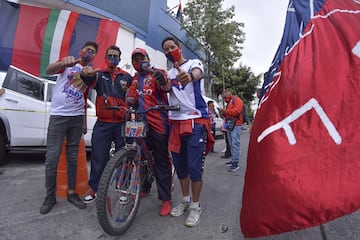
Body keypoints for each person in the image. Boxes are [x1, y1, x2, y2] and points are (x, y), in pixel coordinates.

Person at [159, 36, 214, 227]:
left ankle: (196, 206)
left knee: (194, 168)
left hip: (195, 120)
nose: (169, 50)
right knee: (180, 167)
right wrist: (161, 81)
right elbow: (166, 87)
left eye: (172, 47)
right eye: (166, 49)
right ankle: (185, 200)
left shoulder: (193, 63)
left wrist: (189, 76)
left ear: (179, 47)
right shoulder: (168, 72)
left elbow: (198, 73)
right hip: (174, 122)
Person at [40, 41, 99, 214]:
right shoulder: (68, 65)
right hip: (58, 117)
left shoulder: (90, 73)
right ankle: (50, 196)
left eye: (93, 52)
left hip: (76, 118)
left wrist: (84, 123)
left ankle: (72, 193)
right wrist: (61, 63)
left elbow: (86, 96)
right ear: (81, 51)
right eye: (87, 50)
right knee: (52, 157)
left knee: (73, 157)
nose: (89, 53)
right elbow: (48, 70)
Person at [126, 47, 173, 216]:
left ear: (147, 58)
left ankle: (166, 198)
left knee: (161, 160)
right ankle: (144, 188)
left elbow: (167, 87)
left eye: (141, 58)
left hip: (158, 122)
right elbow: (131, 97)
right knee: (142, 157)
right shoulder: (134, 79)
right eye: (135, 59)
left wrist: (162, 81)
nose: (139, 61)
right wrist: (129, 99)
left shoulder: (158, 72)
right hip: (139, 122)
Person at [83, 45, 132, 204]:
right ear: (105, 57)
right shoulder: (98, 75)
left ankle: (124, 189)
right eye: (110, 55)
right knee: (98, 157)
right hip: (102, 124)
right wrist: (87, 73)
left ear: (120, 58)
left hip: (122, 124)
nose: (112, 58)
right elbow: (88, 79)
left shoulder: (126, 76)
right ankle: (95, 189)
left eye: (115, 56)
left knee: (123, 158)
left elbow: (134, 95)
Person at [220, 89, 243, 172]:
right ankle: (233, 159)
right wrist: (223, 113)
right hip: (230, 124)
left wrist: (226, 111)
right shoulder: (229, 102)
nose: (223, 99)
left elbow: (237, 111)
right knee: (231, 143)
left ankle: (235, 163)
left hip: (236, 124)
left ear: (226, 94)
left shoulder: (236, 100)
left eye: (224, 97)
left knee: (235, 143)